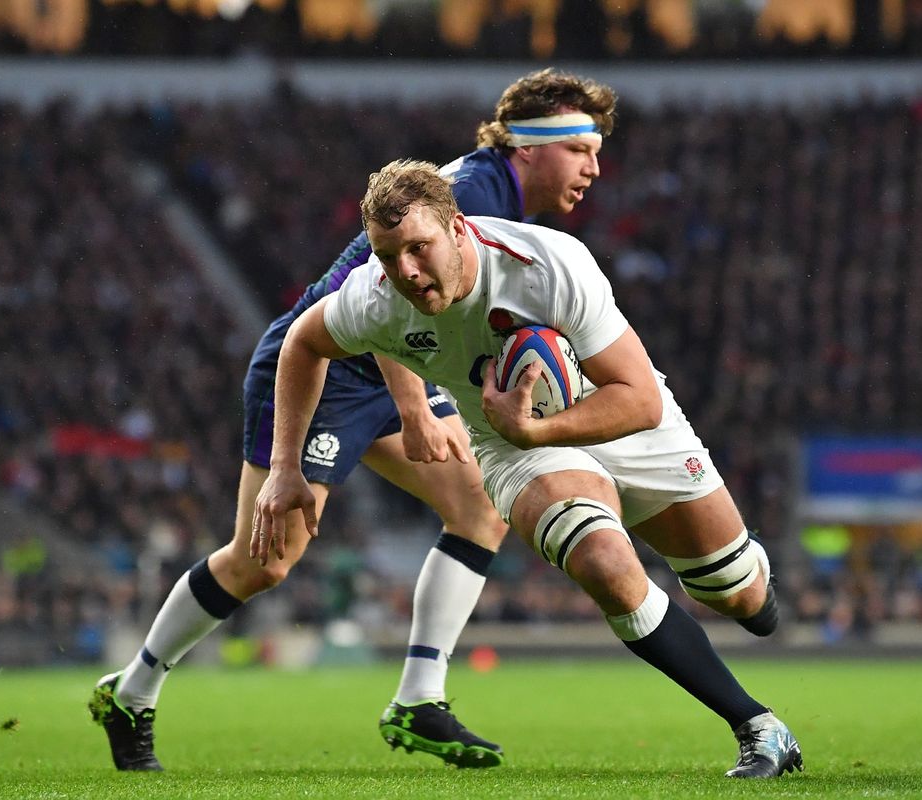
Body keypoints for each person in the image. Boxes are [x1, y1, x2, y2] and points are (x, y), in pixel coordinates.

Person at [90, 69, 624, 771]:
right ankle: (134, 691)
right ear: (531, 147)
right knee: (264, 562)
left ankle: (418, 699)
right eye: (581, 148)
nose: (594, 165)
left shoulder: (498, 197)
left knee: (479, 510)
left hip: (389, 365)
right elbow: (384, 299)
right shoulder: (468, 195)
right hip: (326, 367)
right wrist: (415, 406)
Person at [251, 160, 801, 779]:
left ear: (458, 229)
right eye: (387, 255)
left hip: (617, 413)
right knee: (605, 564)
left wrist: (536, 424)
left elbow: (640, 398)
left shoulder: (547, 266)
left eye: (418, 248)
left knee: (741, 597)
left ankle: (745, 578)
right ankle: (758, 727)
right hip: (513, 447)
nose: (404, 270)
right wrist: (282, 468)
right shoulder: (374, 296)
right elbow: (302, 343)